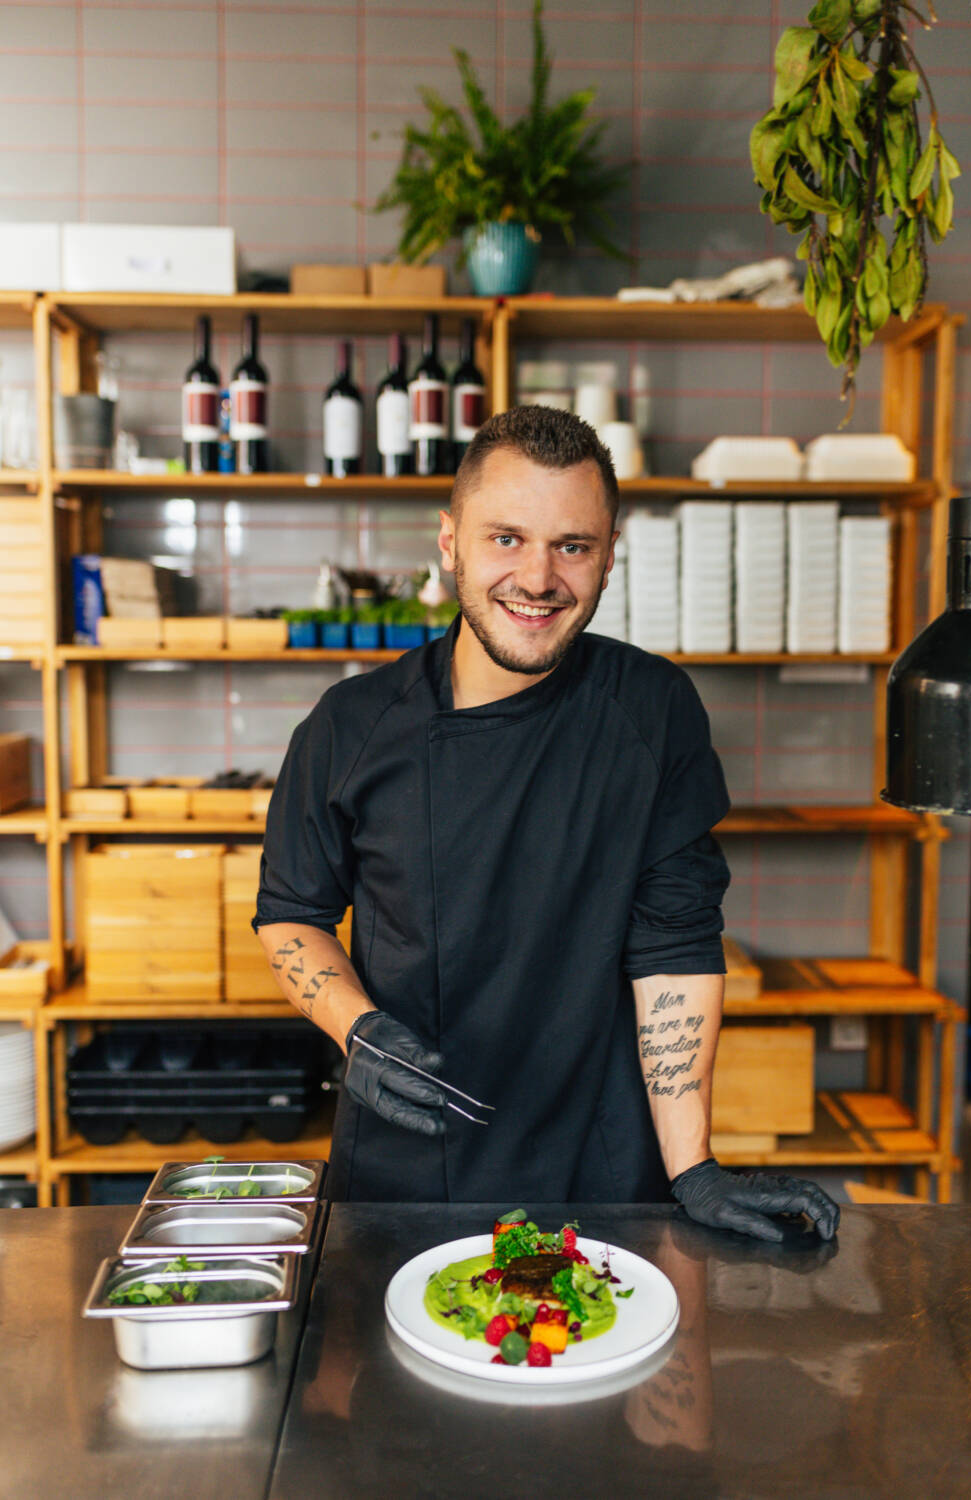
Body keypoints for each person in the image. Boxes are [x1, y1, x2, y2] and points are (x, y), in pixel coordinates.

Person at [254, 407, 839, 1242]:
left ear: (609, 556)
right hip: (409, 1175)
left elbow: (672, 945)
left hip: (603, 1178)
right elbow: (291, 913)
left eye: (573, 546)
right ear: (449, 541)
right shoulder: (352, 726)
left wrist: (693, 1166)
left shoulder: (653, 710)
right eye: (506, 539)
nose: (538, 578)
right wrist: (359, 1028)